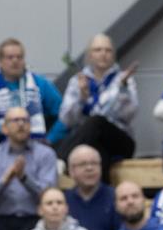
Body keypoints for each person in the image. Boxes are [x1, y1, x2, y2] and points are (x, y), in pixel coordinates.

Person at [0, 38, 62, 174]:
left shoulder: (40, 84)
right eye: (10, 57)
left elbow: (63, 116)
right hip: (0, 141)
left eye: (19, 57)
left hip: (35, 140)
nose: (15, 61)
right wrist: (4, 128)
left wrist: (51, 139)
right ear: (0, 61)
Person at [0, 105, 58, 230]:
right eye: (15, 120)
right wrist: (4, 180)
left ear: (31, 126)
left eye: (25, 120)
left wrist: (24, 179)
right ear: (4, 128)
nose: (21, 124)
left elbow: (49, 194)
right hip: (1, 219)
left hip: (34, 218)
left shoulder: (46, 154)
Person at [54, 33, 138, 169]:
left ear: (113, 55)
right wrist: (81, 98)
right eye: (98, 50)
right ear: (89, 55)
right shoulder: (77, 81)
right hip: (90, 142)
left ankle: (61, 160)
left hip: (119, 140)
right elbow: (66, 120)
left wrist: (123, 91)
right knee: (96, 150)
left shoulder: (123, 79)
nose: (103, 54)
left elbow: (129, 115)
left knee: (97, 121)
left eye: (108, 50)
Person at [63, 145, 119, 230]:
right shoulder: (64, 201)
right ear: (71, 171)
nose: (89, 168)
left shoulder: (115, 197)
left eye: (94, 163)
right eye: (83, 164)